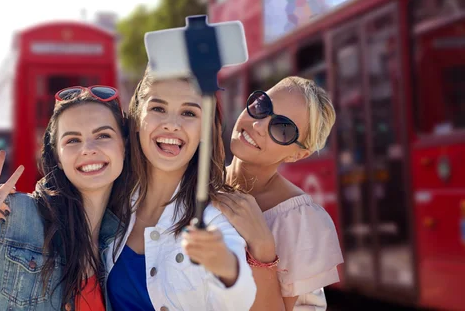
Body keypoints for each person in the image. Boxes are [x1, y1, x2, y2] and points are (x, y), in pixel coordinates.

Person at [0, 86, 131, 311]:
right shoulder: (12, 218)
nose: (88, 149)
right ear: (57, 155)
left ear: (123, 145)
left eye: (103, 135)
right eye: (73, 140)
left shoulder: (125, 238)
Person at [105, 70, 257, 311]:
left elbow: (240, 298)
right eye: (158, 109)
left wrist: (227, 268)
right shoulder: (110, 200)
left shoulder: (215, 217)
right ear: (136, 119)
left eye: (188, 113)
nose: (172, 125)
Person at [214, 76, 343, 310]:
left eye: (282, 129)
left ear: (297, 155)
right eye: (261, 106)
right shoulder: (197, 184)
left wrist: (262, 251)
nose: (258, 125)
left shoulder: (300, 221)